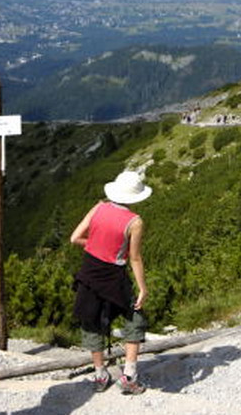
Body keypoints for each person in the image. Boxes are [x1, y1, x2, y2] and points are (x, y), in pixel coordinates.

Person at [70, 169, 152, 395]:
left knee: (90, 320)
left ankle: (100, 375)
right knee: (134, 317)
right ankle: (129, 376)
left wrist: (95, 244)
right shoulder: (135, 222)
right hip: (114, 276)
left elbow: (74, 238)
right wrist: (143, 288)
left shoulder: (99, 207)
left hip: (89, 271)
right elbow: (134, 257)